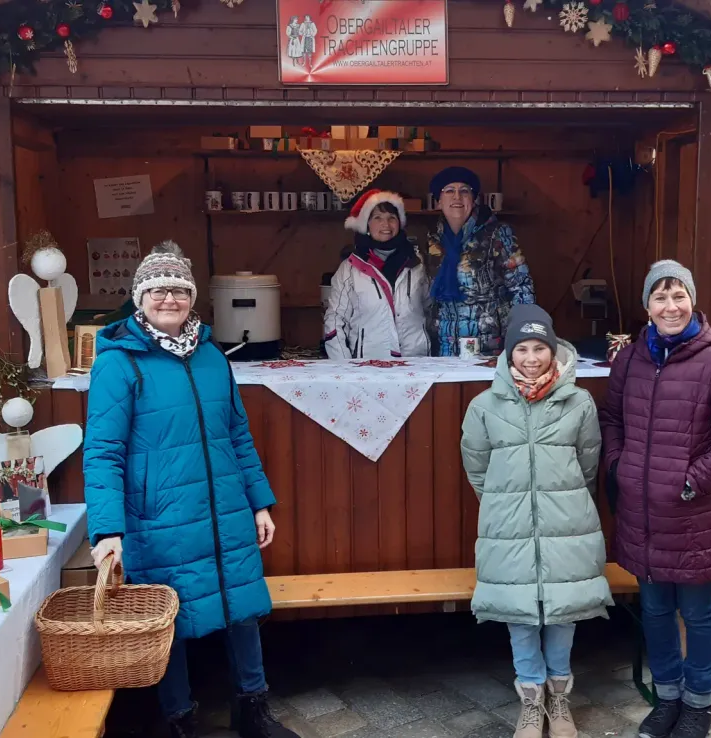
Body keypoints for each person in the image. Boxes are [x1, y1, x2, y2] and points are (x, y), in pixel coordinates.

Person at [83, 241, 298, 738]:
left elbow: (237, 434)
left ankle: (253, 708)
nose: (169, 299)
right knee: (169, 615)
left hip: (224, 508)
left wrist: (259, 502)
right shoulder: (119, 362)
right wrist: (108, 530)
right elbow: (102, 452)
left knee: (242, 606)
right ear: (140, 298)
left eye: (179, 290)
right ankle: (178, 717)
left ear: (192, 297)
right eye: (157, 290)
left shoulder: (212, 357)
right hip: (159, 516)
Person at [597, 261, 711, 738]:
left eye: (678, 296)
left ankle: (698, 704)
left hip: (694, 516)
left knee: (699, 613)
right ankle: (666, 697)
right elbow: (612, 419)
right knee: (655, 611)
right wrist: (619, 465)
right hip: (642, 515)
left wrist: (691, 481)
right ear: (647, 307)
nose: (670, 306)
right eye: (660, 298)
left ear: (693, 300)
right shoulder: (629, 360)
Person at [461, 304, 612, 738]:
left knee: (563, 611)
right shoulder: (484, 406)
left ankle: (559, 697)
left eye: (539, 348)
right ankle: (531, 700)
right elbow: (477, 466)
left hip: (567, 523)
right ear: (509, 355)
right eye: (522, 349)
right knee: (520, 614)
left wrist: (557, 501)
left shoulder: (578, 401)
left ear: (553, 350)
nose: (531, 357)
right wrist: (504, 503)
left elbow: (588, 462)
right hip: (507, 527)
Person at [426, 166, 535, 357]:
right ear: (438, 202)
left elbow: (522, 288)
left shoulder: (497, 234)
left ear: (474, 199)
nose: (457, 197)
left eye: (464, 191)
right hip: (443, 347)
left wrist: (523, 340)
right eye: (449, 191)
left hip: (489, 348)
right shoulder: (433, 240)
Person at [323, 189, 430, 359]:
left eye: (391, 218)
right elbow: (335, 320)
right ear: (367, 225)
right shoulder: (350, 269)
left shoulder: (418, 264)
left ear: (400, 223)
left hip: (417, 362)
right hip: (369, 366)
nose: (386, 225)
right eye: (377, 218)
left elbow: (430, 309)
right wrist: (344, 367)